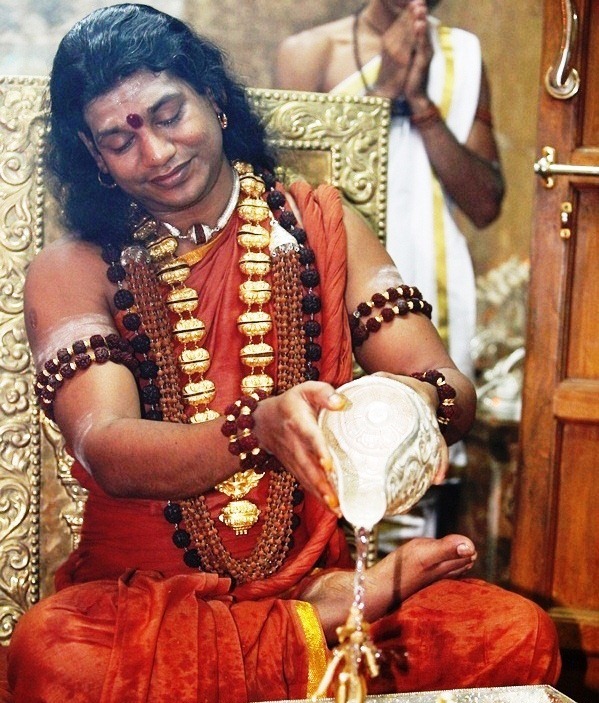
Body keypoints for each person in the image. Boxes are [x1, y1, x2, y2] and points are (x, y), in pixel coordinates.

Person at [7, 4, 558, 702]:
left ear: (214, 96)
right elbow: (107, 446)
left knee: (514, 633)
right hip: (149, 606)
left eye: (170, 115)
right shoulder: (72, 267)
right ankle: (319, 621)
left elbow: (449, 387)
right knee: (55, 654)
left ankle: (313, 612)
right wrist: (255, 430)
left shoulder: (325, 225)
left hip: (312, 571)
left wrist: (411, 401)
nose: (157, 153)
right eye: (120, 139)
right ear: (95, 157)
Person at [275, 0, 505, 382]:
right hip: (336, 280)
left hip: (434, 281)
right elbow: (288, 198)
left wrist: (420, 103)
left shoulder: (462, 55)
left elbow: (484, 206)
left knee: (432, 400)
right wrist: (384, 88)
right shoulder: (309, 54)